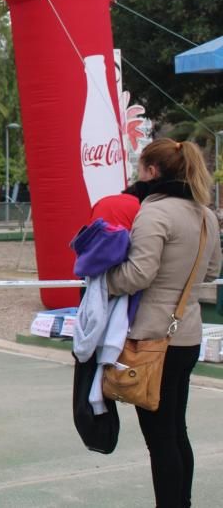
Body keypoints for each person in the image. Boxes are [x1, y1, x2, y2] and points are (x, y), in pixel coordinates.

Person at [106, 138, 222, 507]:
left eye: (140, 168)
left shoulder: (154, 213)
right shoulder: (205, 214)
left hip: (152, 339)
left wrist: (102, 281)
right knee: (176, 430)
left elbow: (138, 274)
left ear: (152, 171)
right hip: (187, 335)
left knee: (159, 439)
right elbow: (213, 270)